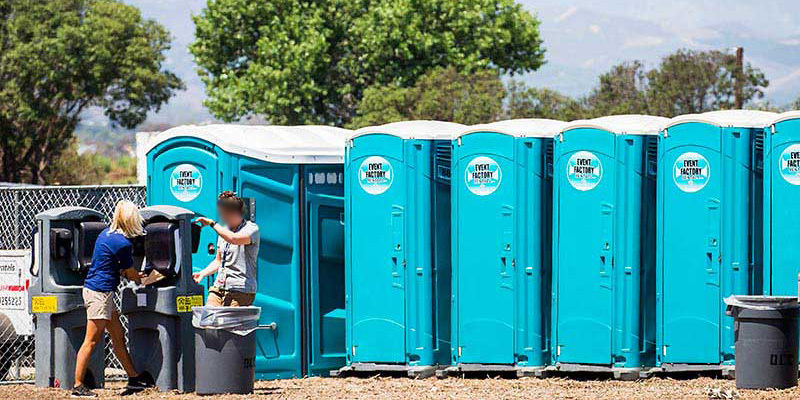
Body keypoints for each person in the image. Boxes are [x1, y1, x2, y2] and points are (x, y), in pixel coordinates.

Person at [73, 200, 155, 397]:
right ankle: (77, 386)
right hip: (99, 294)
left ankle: (134, 378)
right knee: (91, 341)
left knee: (118, 336)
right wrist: (146, 277)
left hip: (102, 293)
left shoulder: (106, 234)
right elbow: (130, 272)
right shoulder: (123, 243)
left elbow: (116, 267)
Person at [193, 191, 260, 306]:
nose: (224, 217)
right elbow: (218, 261)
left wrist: (212, 224)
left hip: (240, 290)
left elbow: (234, 239)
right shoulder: (224, 230)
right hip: (219, 286)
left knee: (230, 323)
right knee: (209, 319)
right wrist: (203, 273)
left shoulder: (252, 229)